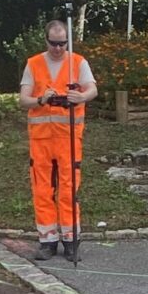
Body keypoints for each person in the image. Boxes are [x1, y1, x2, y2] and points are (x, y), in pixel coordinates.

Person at [19, 15, 97, 258]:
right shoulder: (33, 64)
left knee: (68, 188)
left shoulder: (78, 62)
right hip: (41, 139)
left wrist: (81, 97)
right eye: (53, 43)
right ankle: (47, 241)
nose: (57, 48)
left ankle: (71, 240)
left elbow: (93, 88)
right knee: (42, 189)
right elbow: (23, 100)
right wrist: (41, 99)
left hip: (69, 137)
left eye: (62, 43)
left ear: (67, 41)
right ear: (46, 41)